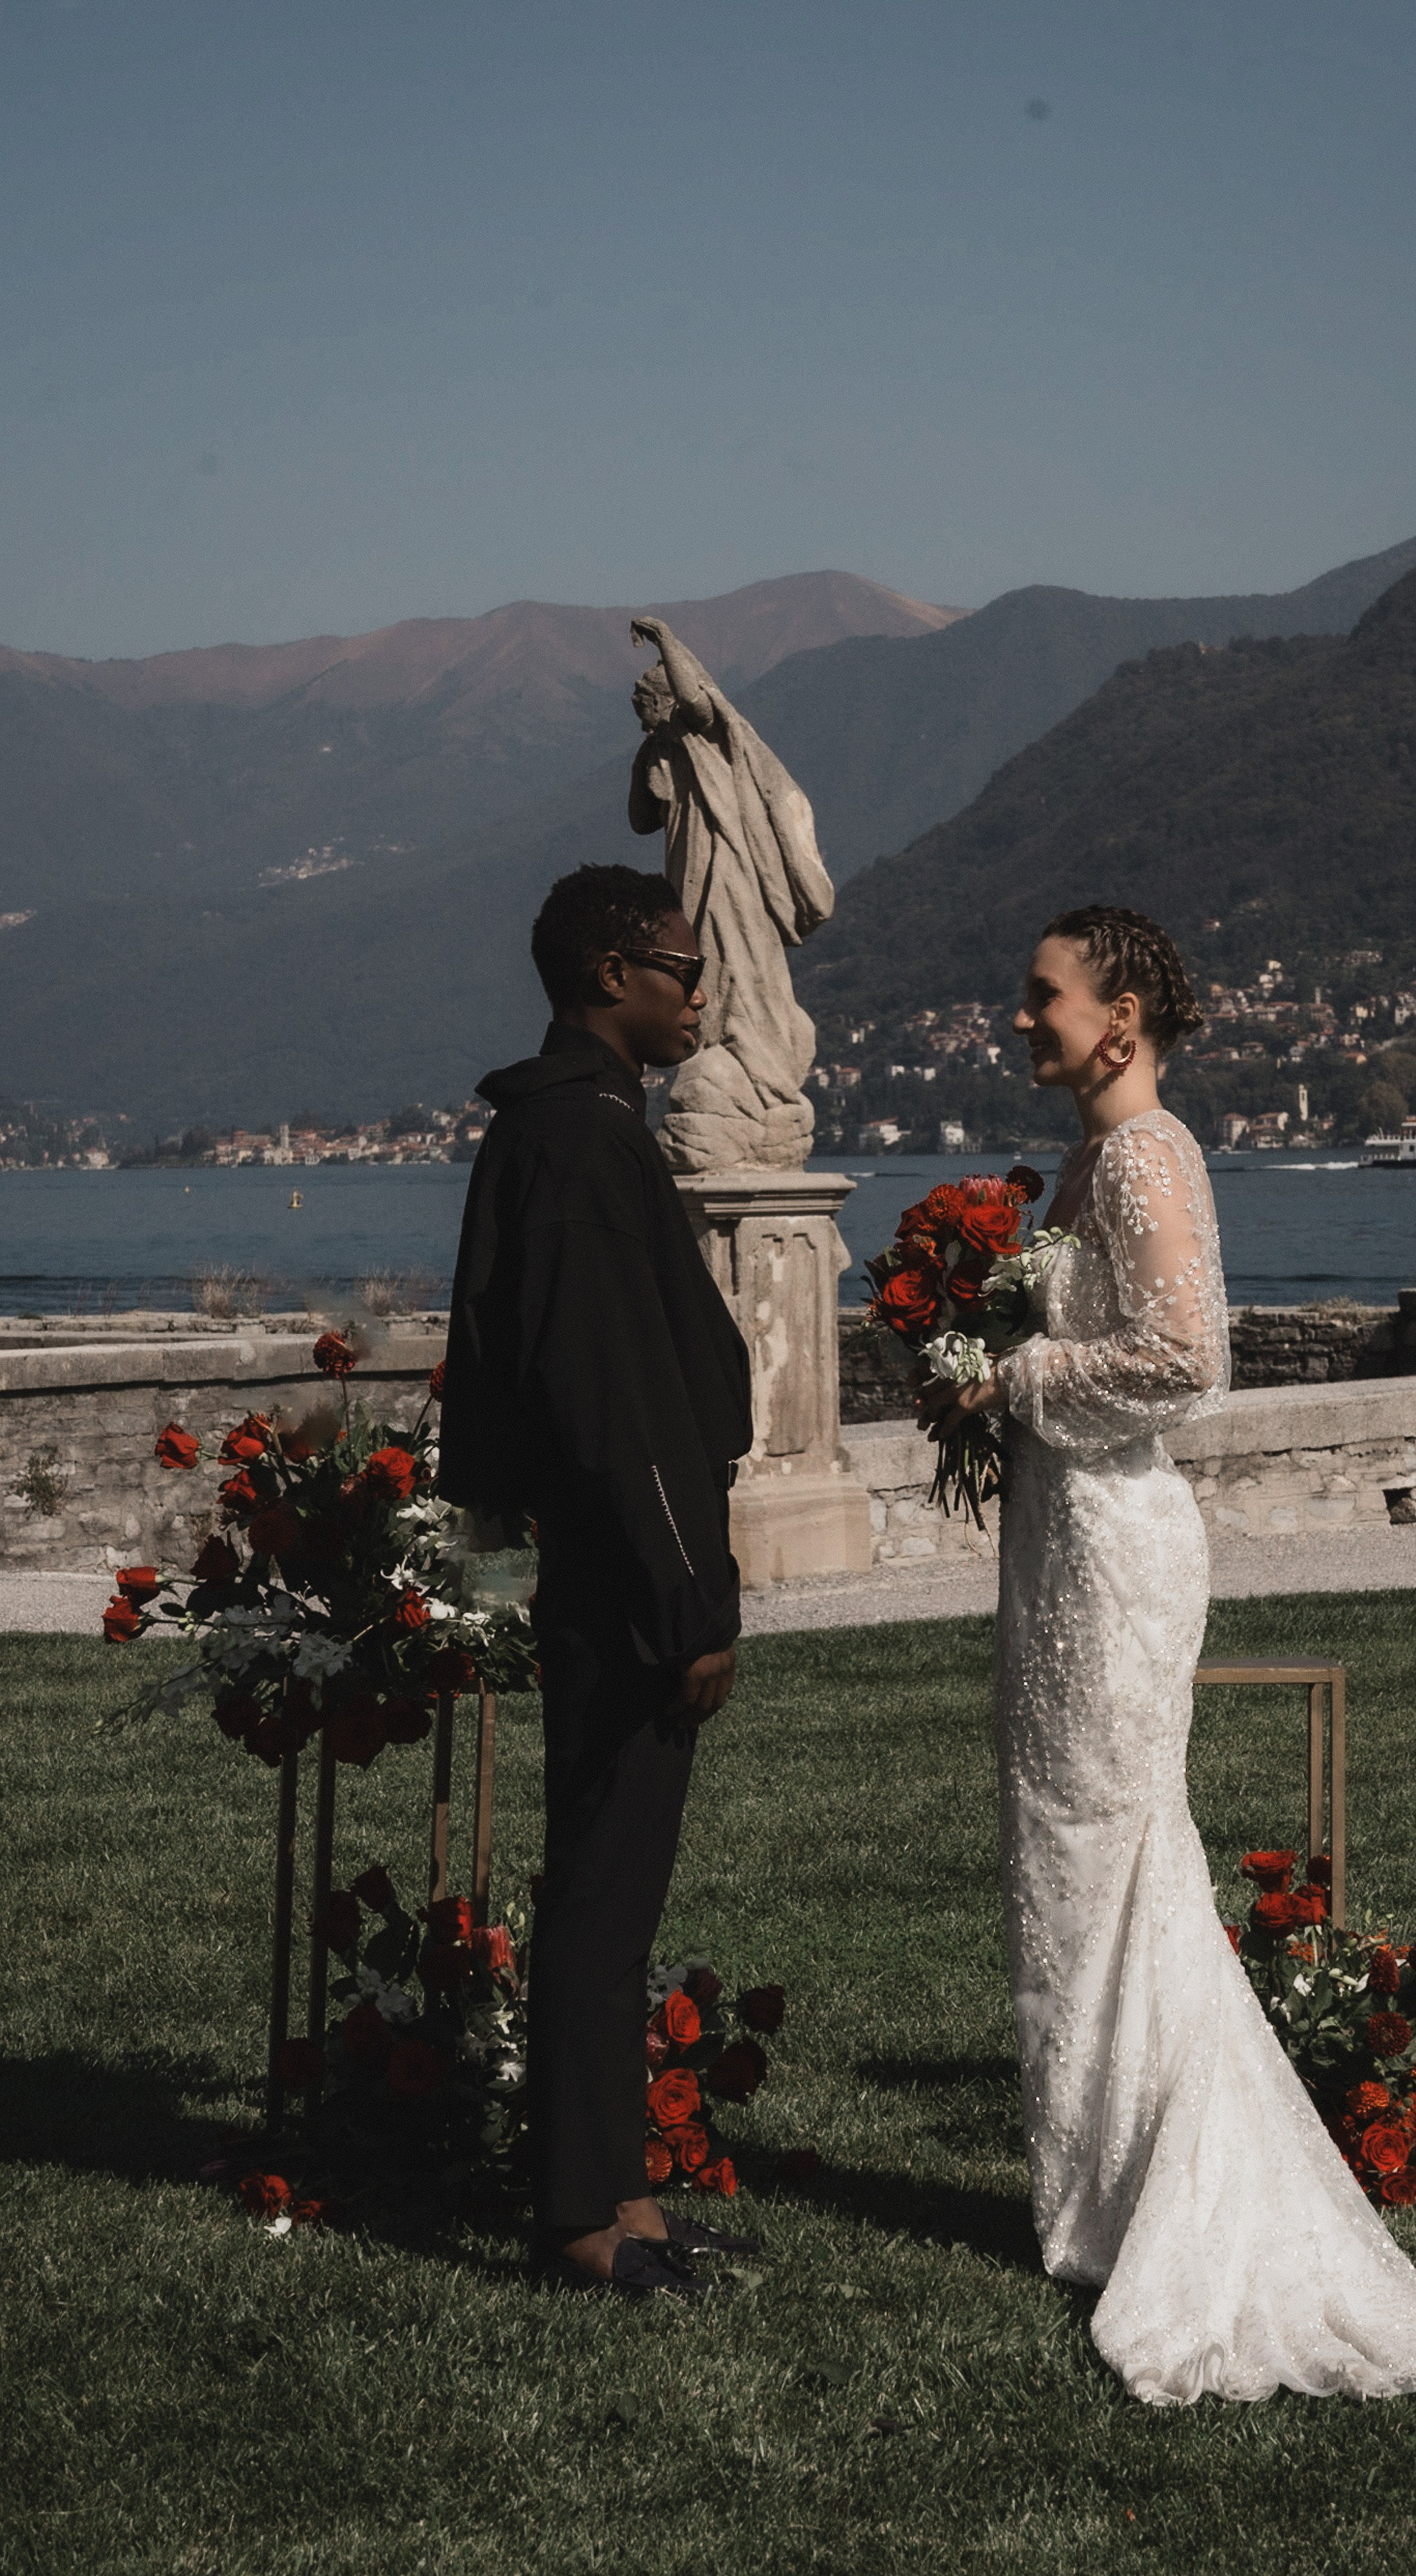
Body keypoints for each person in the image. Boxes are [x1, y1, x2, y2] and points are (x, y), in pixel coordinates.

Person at [928, 904, 1416, 2403]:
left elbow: (1185, 1357)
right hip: (1059, 1540)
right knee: (1068, 1862)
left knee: (1123, 1853)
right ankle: (1098, 2194)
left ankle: (1177, 2201)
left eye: (1042, 998)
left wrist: (1007, 1371)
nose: (1020, 1020)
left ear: (1119, 1016)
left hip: (1118, 1543)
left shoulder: (1147, 1153)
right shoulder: (1084, 1162)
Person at [440, 864, 758, 2300]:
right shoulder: (581, 1146)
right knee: (597, 1894)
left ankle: (618, 2189)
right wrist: (688, 1598)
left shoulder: (565, 1132)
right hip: (629, 1582)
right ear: (613, 974)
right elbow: (611, 1403)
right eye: (685, 971)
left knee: (616, 1896)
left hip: (609, 1568)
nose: (701, 995)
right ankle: (578, 2213)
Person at [626, 614, 836, 1174]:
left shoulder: (710, 732)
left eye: (646, 705)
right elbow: (640, 819)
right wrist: (647, 752)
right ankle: (727, 1064)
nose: (641, 717)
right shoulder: (666, 752)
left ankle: (757, 1075)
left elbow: (696, 701)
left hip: (732, 876)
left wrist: (667, 639)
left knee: (737, 968)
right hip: (687, 880)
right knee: (703, 970)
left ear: (666, 698)